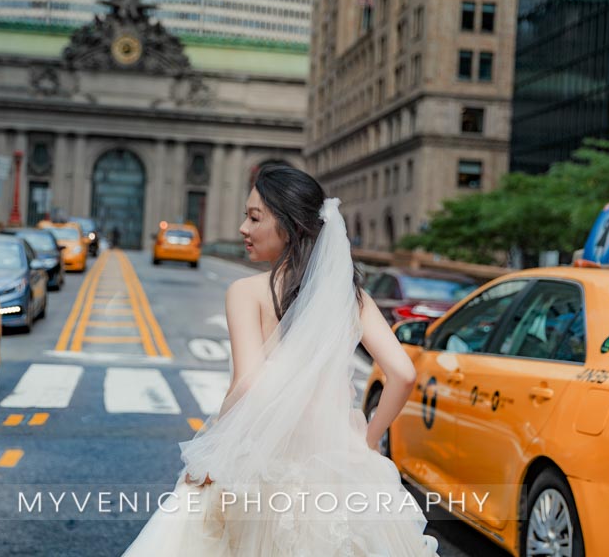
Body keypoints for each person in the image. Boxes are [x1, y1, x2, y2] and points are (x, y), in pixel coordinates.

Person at [121, 163, 439, 556]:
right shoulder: (352, 298)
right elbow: (403, 374)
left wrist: (213, 451)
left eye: (254, 218)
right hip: (338, 465)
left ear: (289, 227)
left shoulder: (247, 292)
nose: (243, 228)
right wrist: (368, 442)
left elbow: (249, 384)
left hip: (264, 466)